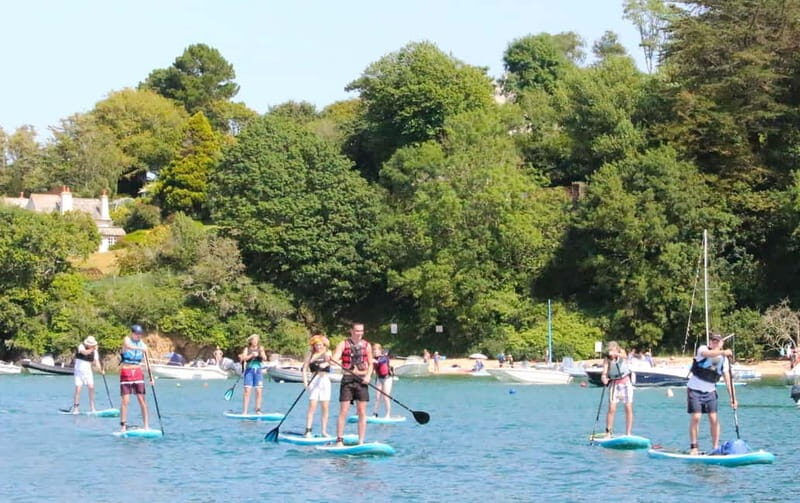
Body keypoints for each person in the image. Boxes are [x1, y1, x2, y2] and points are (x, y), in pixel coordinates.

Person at [687, 332, 736, 455]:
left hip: (710, 392)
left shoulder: (724, 361)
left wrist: (733, 398)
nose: (714, 343)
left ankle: (715, 448)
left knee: (714, 419)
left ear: (721, 343)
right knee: (696, 417)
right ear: (710, 342)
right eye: (713, 341)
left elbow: (728, 381)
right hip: (694, 389)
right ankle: (694, 447)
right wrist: (723, 352)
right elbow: (708, 354)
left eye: (717, 341)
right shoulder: (702, 349)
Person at [333, 322, 373, 446]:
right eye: (357, 331)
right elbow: (334, 359)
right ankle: (339, 440)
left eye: (361, 331)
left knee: (361, 411)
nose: (359, 333)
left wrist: (368, 376)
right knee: (343, 411)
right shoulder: (343, 344)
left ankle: (361, 441)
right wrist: (330, 359)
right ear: (351, 331)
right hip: (347, 380)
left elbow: (371, 364)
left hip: (361, 380)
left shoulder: (367, 345)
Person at [119, 324, 152, 432]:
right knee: (126, 401)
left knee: (142, 400)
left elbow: (147, 362)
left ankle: (146, 425)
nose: (138, 336)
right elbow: (128, 346)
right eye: (136, 334)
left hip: (138, 372)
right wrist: (142, 348)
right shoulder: (127, 339)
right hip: (126, 372)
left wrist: (150, 376)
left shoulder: (142, 343)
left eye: (140, 334)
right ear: (132, 333)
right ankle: (123, 426)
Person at [600, 341, 633, 437]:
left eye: (613, 350)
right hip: (614, 384)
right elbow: (604, 372)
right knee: (612, 408)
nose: (611, 353)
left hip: (625, 382)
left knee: (628, 407)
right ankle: (608, 432)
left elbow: (625, 356)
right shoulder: (607, 359)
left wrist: (616, 353)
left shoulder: (621, 353)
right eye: (610, 350)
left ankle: (628, 433)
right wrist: (604, 378)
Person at [303, 334, 332, 437]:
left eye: (320, 345)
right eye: (316, 345)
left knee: (325, 408)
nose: (318, 347)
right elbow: (305, 368)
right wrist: (306, 382)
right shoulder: (310, 354)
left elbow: (329, 361)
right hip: (314, 381)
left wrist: (325, 364)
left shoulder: (327, 352)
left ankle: (324, 431)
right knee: (312, 406)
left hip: (325, 381)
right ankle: (308, 430)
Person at [70, 336, 102, 414]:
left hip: (88, 372)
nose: (90, 345)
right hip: (78, 372)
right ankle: (76, 408)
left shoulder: (95, 352)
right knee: (78, 389)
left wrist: (101, 370)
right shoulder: (81, 346)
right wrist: (93, 349)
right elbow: (84, 352)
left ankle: (92, 408)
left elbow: (97, 362)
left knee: (91, 388)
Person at [239, 334, 268, 415]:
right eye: (253, 340)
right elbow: (244, 358)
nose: (255, 341)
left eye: (256, 340)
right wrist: (251, 355)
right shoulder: (247, 349)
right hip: (249, 371)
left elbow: (265, 358)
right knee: (247, 391)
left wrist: (260, 354)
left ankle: (258, 410)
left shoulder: (260, 348)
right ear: (251, 341)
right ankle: (245, 411)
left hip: (258, 371)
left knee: (259, 391)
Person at [372, 343, 393, 418]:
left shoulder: (384, 358)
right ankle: (375, 413)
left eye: (376, 350)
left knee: (385, 397)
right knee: (377, 397)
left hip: (387, 379)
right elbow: (372, 369)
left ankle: (388, 414)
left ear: (380, 350)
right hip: (379, 379)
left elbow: (380, 362)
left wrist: (372, 360)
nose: (374, 352)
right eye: (373, 350)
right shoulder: (374, 358)